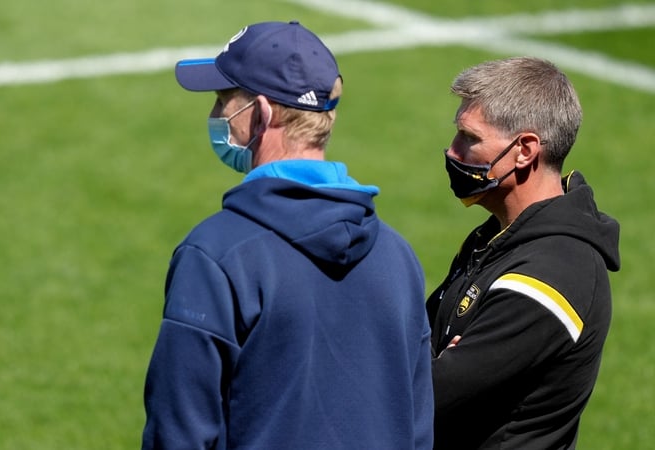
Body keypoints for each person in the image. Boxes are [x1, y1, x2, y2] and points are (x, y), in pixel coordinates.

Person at [142, 21, 433, 449]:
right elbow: (417, 428)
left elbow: (179, 434)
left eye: (224, 99)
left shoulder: (217, 256)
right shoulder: (399, 256)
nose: (216, 114)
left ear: (259, 114)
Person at [426, 56, 621, 449]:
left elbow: (426, 396)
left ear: (524, 150)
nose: (452, 151)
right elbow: (424, 340)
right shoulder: (499, 235)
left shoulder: (551, 276)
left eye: (469, 137)